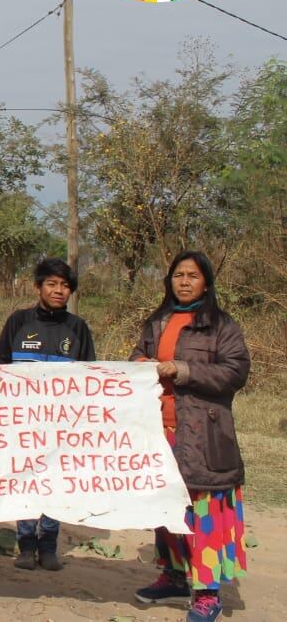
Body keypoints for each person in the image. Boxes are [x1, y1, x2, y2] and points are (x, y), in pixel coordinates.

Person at [130, 250, 249, 622]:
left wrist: (183, 369)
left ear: (206, 283)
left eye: (192, 275)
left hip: (203, 436)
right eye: (178, 275)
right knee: (166, 507)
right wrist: (140, 364)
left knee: (203, 510)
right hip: (160, 432)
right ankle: (174, 576)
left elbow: (235, 372)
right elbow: (137, 356)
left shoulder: (221, 326)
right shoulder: (158, 321)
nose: (184, 281)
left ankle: (207, 593)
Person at [0, 257, 95, 572]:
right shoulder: (18, 322)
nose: (58, 290)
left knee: (55, 481)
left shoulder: (78, 328)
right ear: (38, 287)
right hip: (22, 422)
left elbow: (90, 377)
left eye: (64, 285)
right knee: (26, 480)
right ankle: (25, 545)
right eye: (51, 284)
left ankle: (48, 545)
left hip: (61, 424)